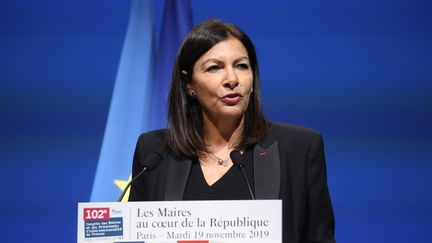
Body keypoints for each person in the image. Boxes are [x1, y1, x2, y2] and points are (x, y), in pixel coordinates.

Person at [129, 19, 335, 243]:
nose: (232, 80)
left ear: (253, 79)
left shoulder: (299, 148)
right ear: (189, 85)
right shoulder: (154, 153)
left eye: (241, 66)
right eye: (214, 68)